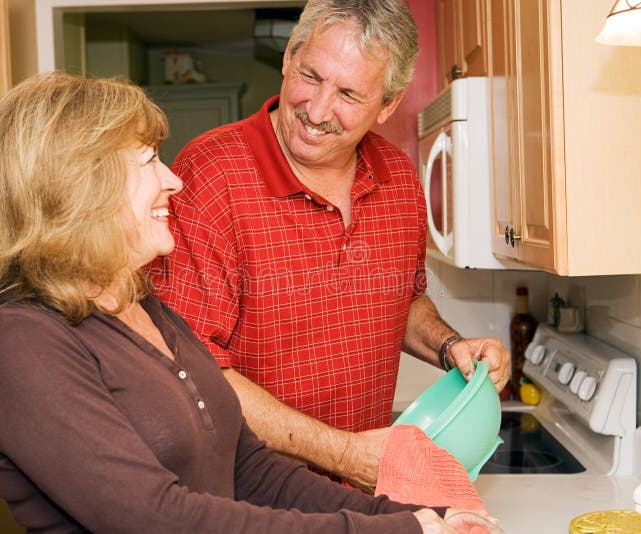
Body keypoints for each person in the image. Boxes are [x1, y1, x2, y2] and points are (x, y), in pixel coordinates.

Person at [0, 71, 501, 533]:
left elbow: (251, 469)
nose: (173, 181)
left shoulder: (144, 306)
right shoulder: (21, 343)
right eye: (147, 162)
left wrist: (420, 516)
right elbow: (156, 518)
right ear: (77, 187)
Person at [150, 0, 511, 490]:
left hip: (363, 498)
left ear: (388, 104)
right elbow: (190, 370)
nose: (317, 111)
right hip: (246, 502)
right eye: (310, 76)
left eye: (348, 93)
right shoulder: (213, 174)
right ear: (287, 58)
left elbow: (397, 301)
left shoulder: (399, 181)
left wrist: (451, 348)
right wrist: (345, 454)